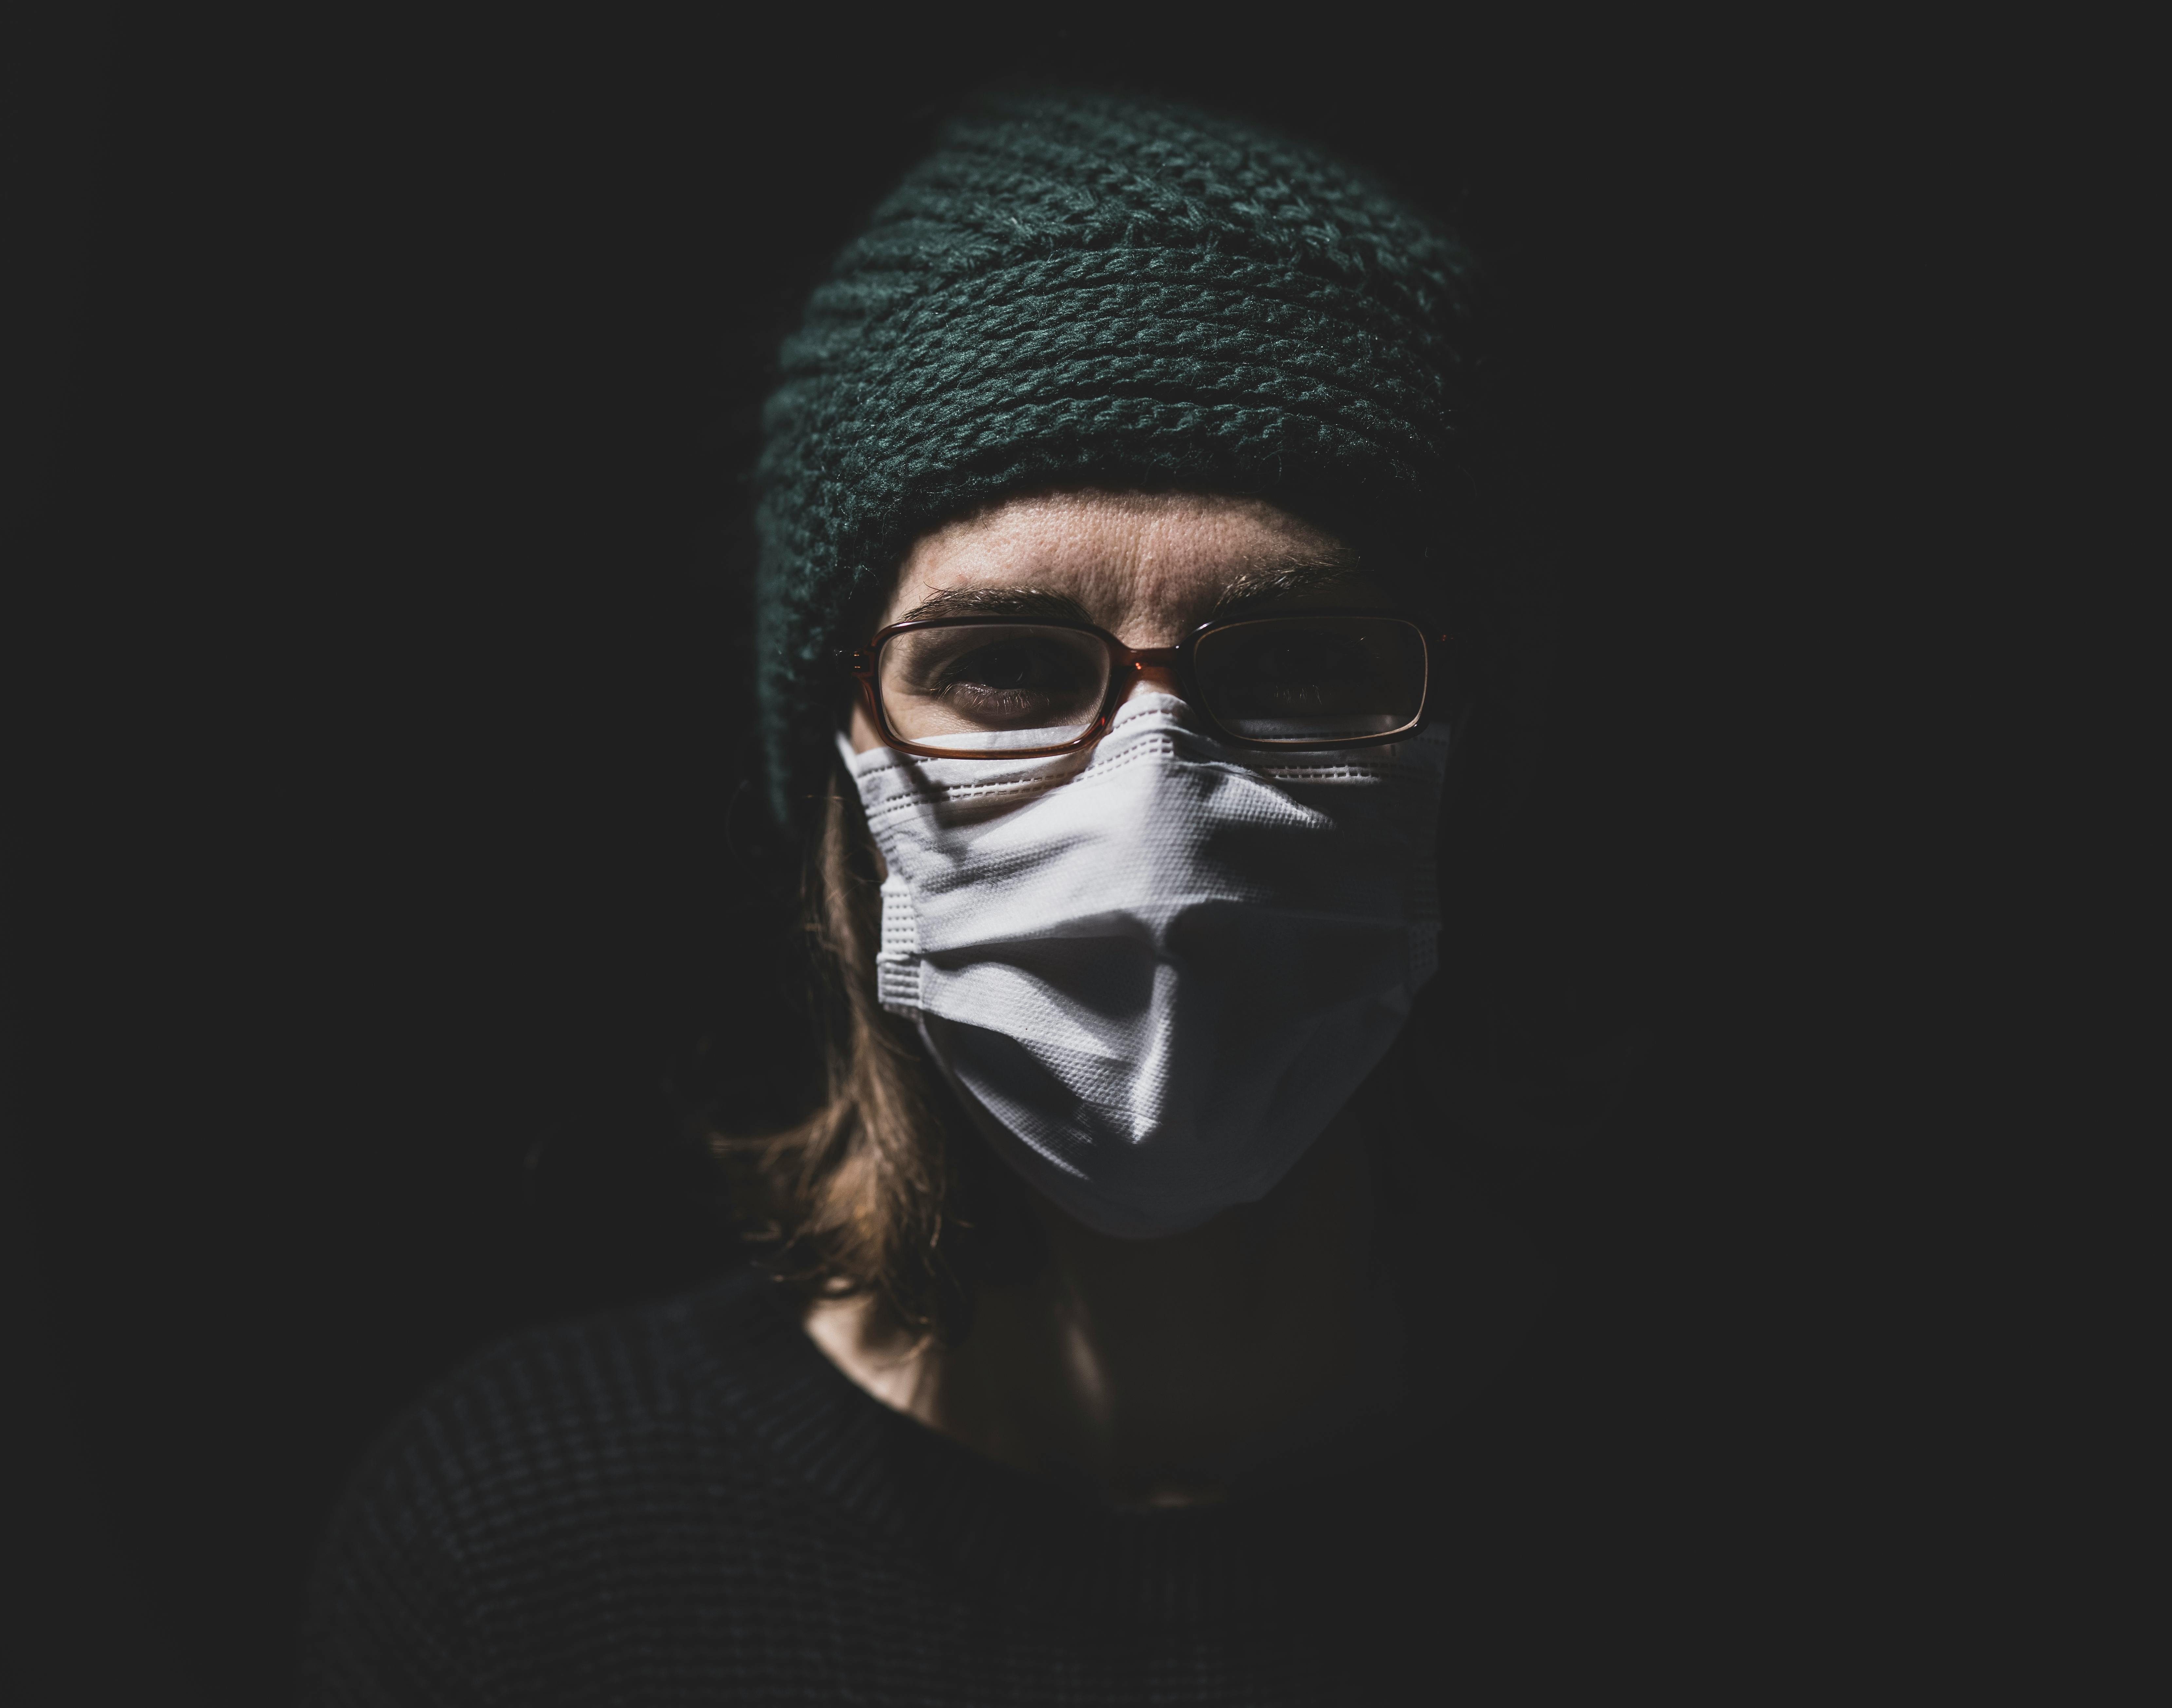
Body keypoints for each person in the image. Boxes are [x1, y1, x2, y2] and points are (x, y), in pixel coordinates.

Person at [302, 85, 1611, 1705]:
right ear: (842, 755)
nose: (1154, 810)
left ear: (1470, 745)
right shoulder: (521, 1554)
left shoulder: (1733, 1488)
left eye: (1299, 663)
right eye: (1003, 666)